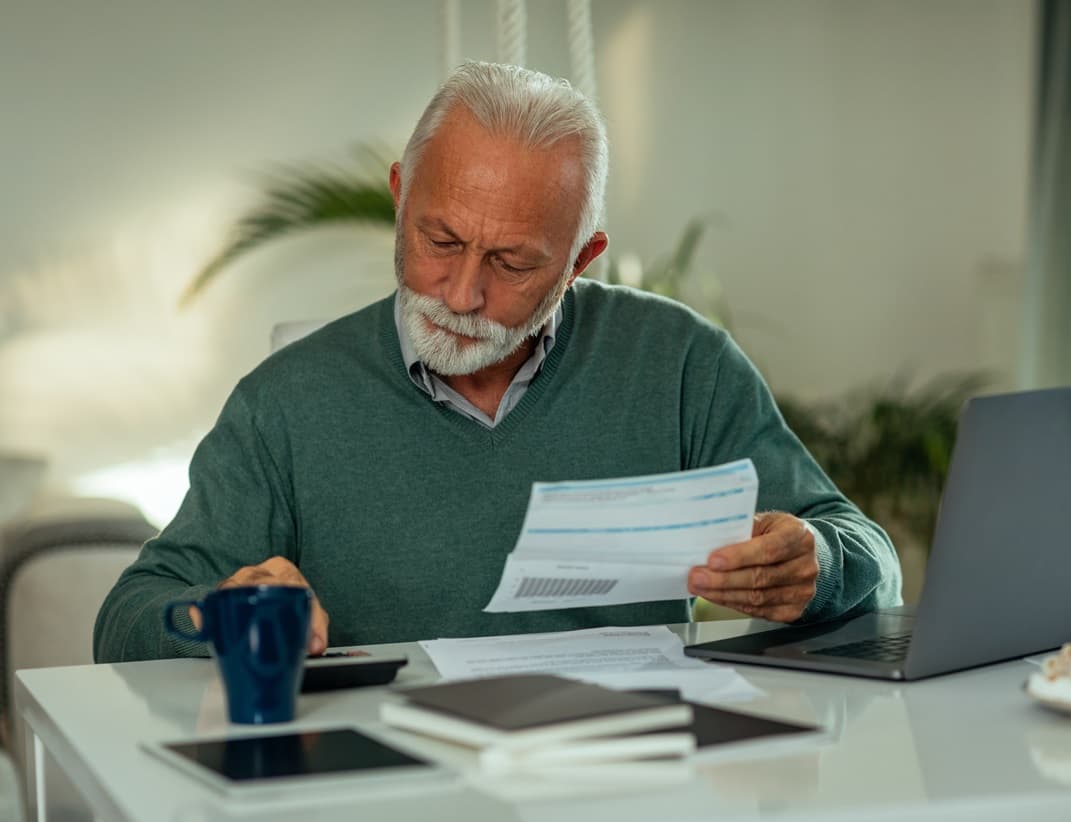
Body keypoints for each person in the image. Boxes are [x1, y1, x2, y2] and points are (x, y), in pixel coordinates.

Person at [93, 61, 900, 663]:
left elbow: (868, 557)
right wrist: (213, 615)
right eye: (439, 241)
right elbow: (128, 618)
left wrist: (816, 566)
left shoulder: (679, 362)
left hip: (632, 792)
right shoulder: (286, 402)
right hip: (389, 799)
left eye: (514, 264)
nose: (464, 292)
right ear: (400, 194)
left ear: (582, 259)